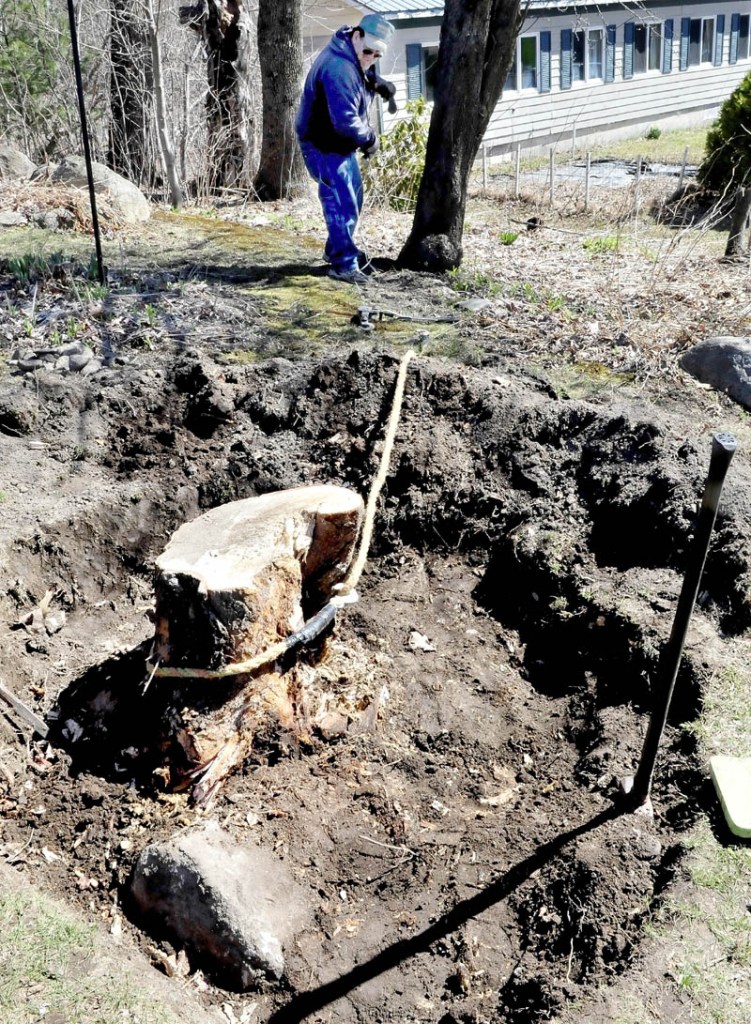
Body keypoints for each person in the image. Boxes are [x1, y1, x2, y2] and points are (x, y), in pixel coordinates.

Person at [296, 13, 396, 284]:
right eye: (367, 52)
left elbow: (361, 71)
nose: (370, 58)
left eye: (376, 55)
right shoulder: (338, 68)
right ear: (356, 35)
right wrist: (371, 139)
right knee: (340, 200)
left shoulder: (351, 54)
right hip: (323, 143)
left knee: (354, 197)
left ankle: (337, 248)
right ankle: (343, 264)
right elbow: (346, 122)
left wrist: (375, 82)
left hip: (338, 144)